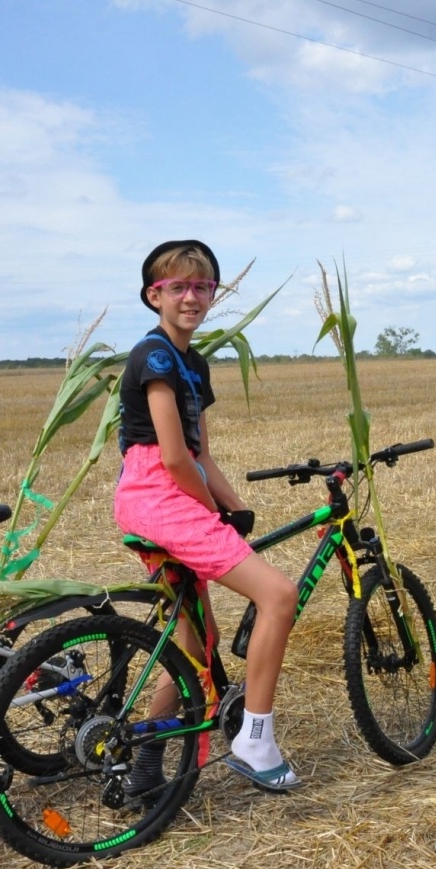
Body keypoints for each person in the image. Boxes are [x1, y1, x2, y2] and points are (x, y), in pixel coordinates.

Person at [112, 239, 302, 792]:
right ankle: (256, 740)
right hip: (156, 491)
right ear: (154, 295)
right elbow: (171, 457)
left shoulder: (192, 363)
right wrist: (210, 507)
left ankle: (147, 755)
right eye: (178, 287)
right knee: (279, 595)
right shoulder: (155, 356)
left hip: (167, 487)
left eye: (202, 287)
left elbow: (200, 453)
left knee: (197, 639)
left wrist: (235, 505)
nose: (191, 297)